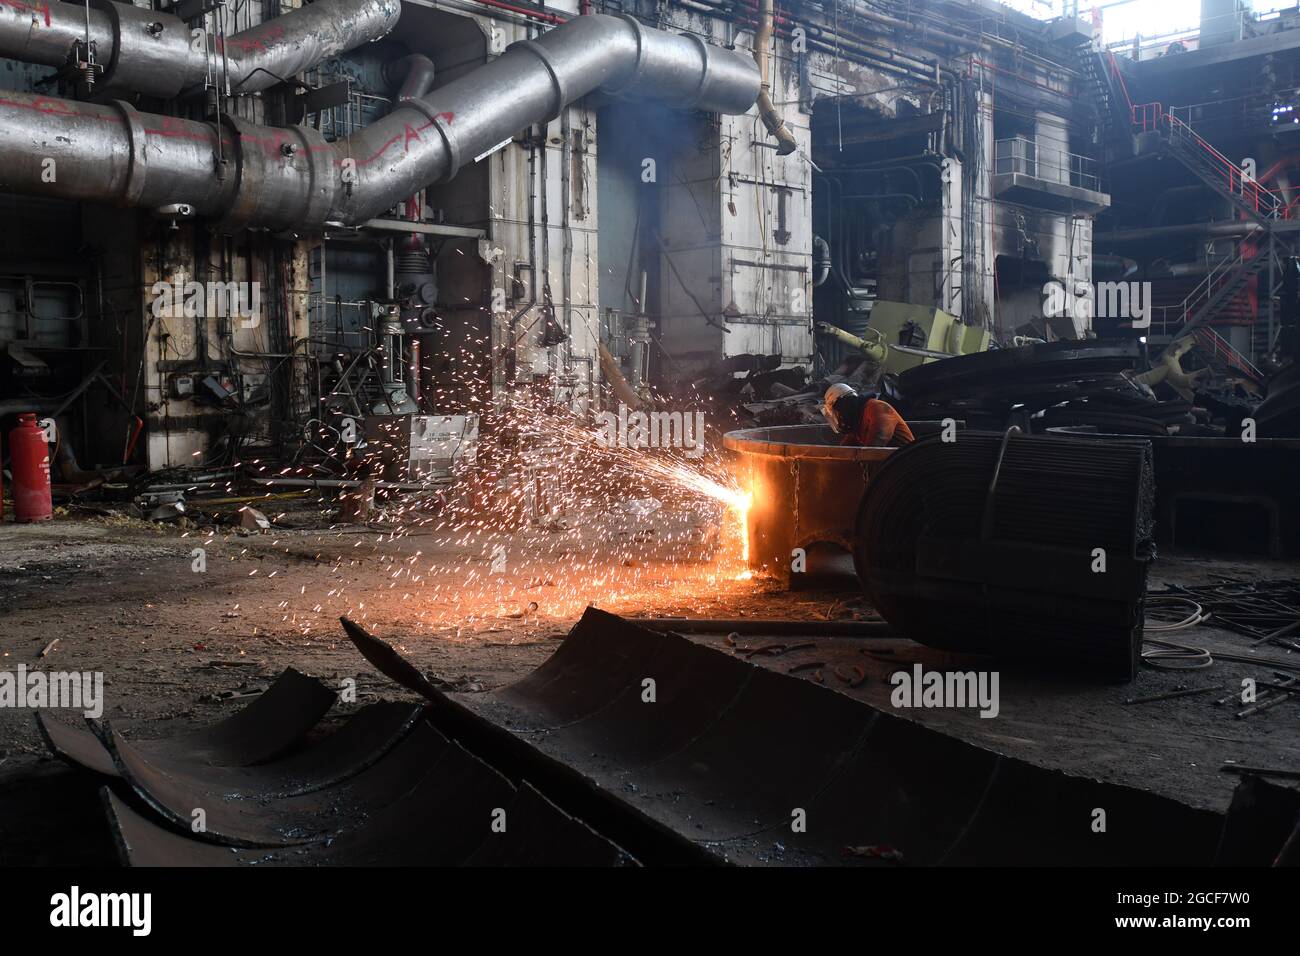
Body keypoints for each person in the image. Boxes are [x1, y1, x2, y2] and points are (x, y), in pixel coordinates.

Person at [822, 384, 916, 448]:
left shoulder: (877, 408)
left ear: (844, 405)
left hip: (908, 467)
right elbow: (845, 448)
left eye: (838, 412)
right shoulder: (857, 420)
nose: (839, 418)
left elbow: (876, 445)